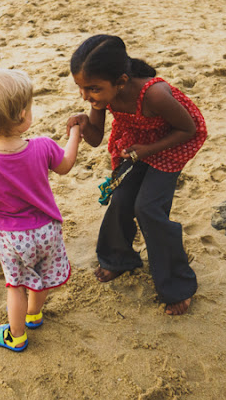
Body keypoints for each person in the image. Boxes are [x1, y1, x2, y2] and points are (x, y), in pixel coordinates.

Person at [67, 35, 206, 316]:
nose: (86, 95)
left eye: (92, 89)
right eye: (81, 88)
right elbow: (95, 138)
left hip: (170, 145)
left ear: (121, 81)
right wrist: (83, 124)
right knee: (121, 199)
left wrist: (148, 149)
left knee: (148, 208)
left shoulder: (154, 94)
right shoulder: (102, 96)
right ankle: (118, 259)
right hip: (135, 147)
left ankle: (178, 285)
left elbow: (188, 129)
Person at [0, 68, 81, 351]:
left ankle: (15, 335)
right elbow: (65, 165)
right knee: (39, 277)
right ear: (22, 117)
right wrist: (75, 134)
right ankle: (34, 315)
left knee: (15, 285)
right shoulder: (42, 146)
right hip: (47, 230)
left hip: (12, 237)